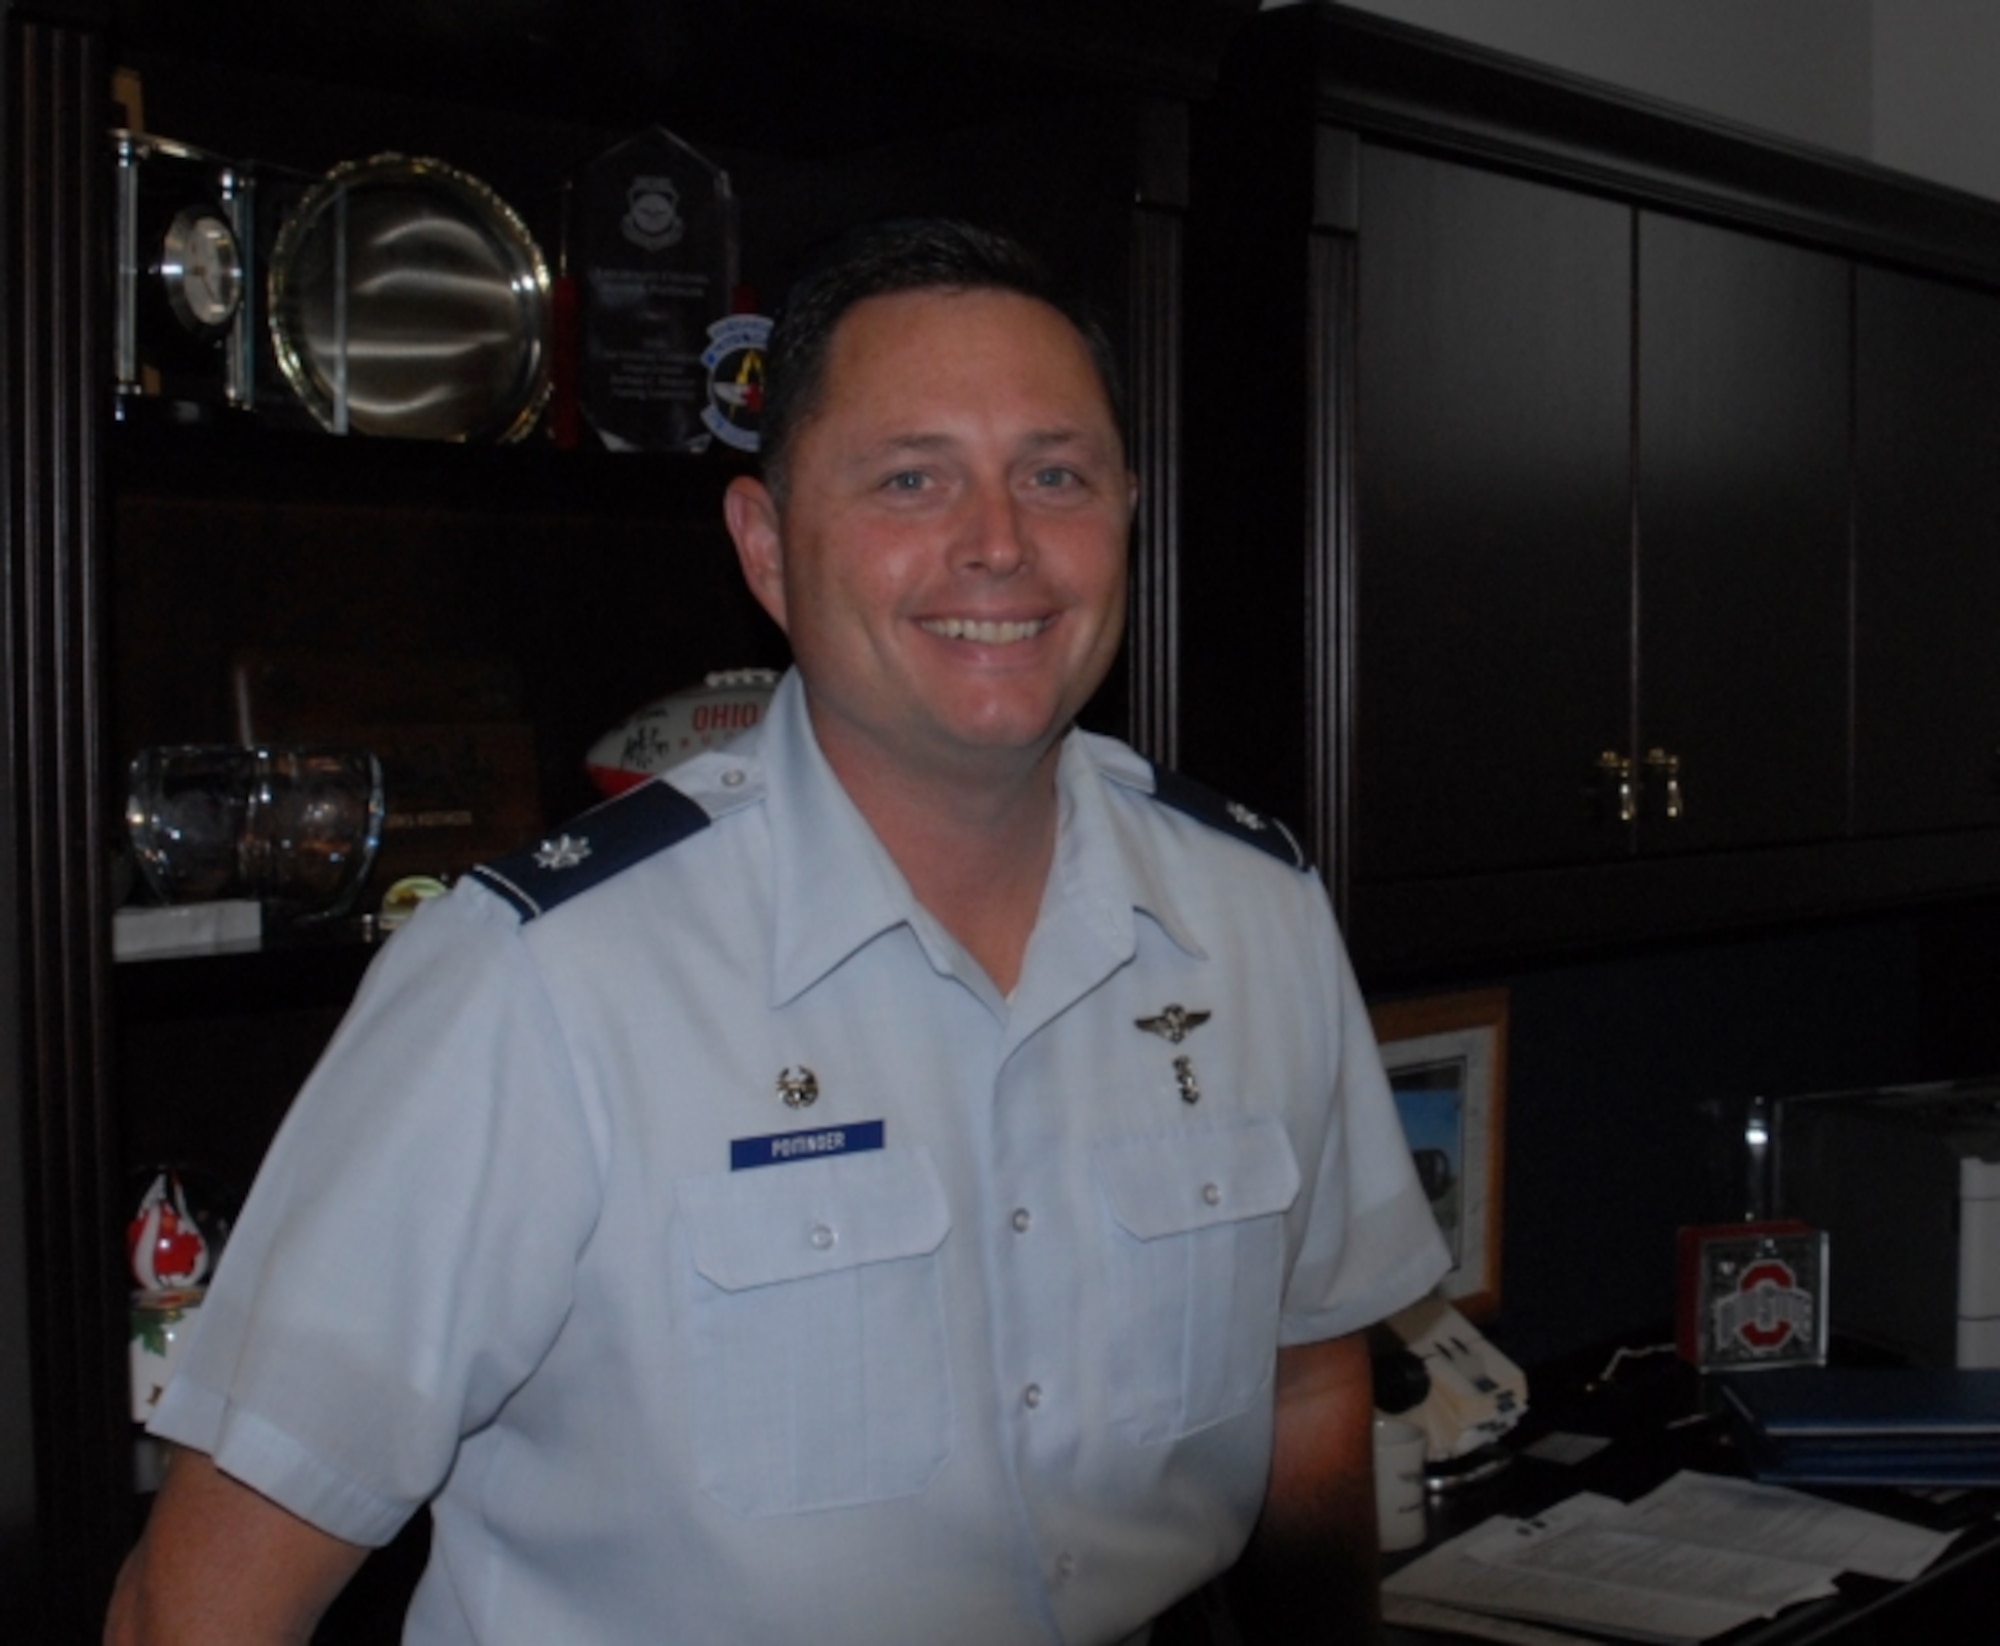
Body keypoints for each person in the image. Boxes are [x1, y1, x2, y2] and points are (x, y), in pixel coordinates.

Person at [106, 219, 1448, 1645]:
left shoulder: (1257, 914)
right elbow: (196, 1607)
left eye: (1054, 475)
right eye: (909, 478)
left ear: (1125, 513)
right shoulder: (539, 985)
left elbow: (1309, 1381)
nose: (997, 542)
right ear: (767, 550)